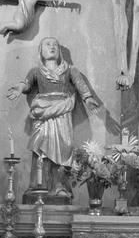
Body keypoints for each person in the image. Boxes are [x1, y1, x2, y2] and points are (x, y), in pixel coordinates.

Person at [7, 37, 99, 196]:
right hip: (42, 113)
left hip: (62, 112)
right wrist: (20, 87)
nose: (52, 47)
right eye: (48, 44)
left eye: (55, 45)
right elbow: (27, 83)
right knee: (40, 149)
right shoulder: (36, 71)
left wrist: (88, 98)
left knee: (63, 150)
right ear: (41, 52)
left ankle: (60, 187)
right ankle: (37, 186)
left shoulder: (69, 69)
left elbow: (80, 84)